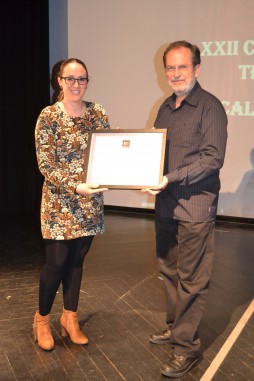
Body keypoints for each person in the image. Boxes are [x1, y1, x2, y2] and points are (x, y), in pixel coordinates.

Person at [143, 41, 227, 377]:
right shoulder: (166, 106)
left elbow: (212, 159)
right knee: (168, 270)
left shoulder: (211, 107)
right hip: (166, 204)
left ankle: (187, 347)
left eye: (182, 67)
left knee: (192, 279)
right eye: (170, 68)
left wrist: (169, 176)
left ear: (197, 68)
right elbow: (157, 151)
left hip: (195, 206)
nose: (175, 74)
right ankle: (175, 326)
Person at [33, 58, 110, 351]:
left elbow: (107, 151)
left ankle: (69, 318)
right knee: (56, 263)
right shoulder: (49, 116)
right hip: (59, 202)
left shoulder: (97, 112)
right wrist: (75, 185)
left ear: (87, 82)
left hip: (90, 202)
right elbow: (45, 164)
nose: (76, 84)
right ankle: (42, 320)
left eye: (82, 79)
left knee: (77, 260)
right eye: (71, 79)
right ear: (60, 81)